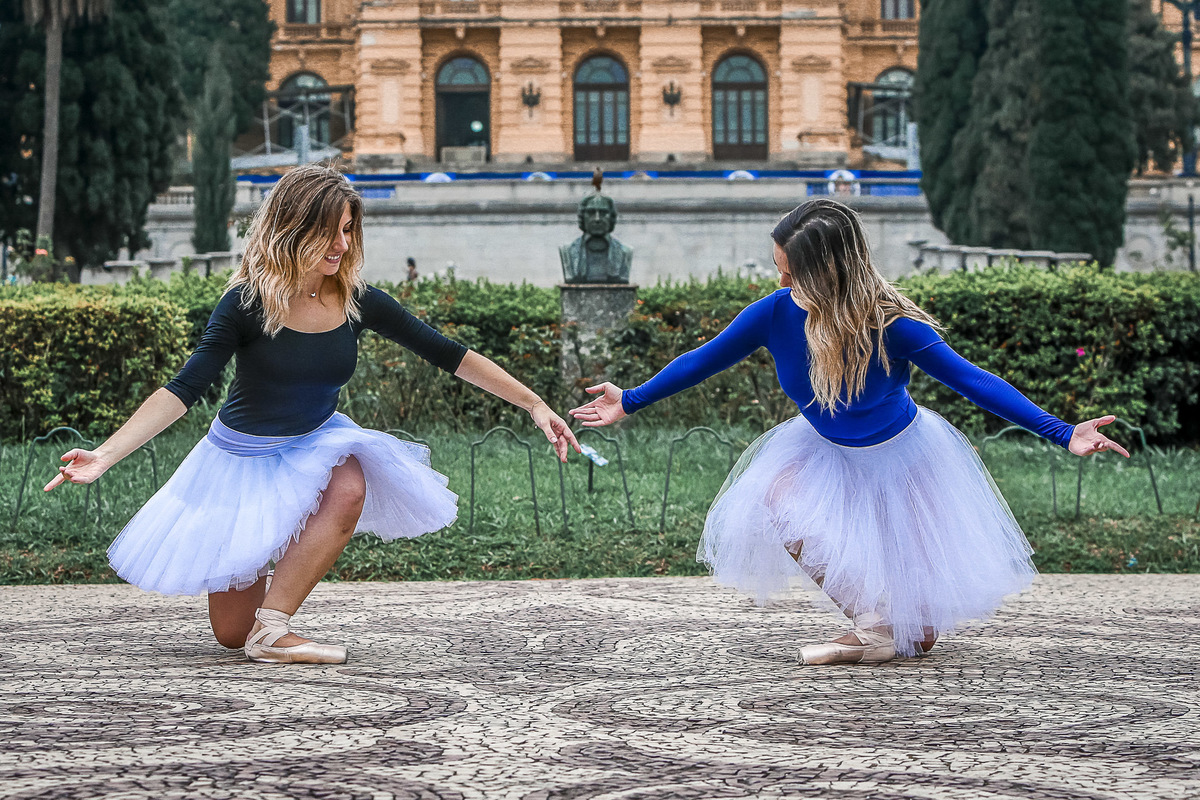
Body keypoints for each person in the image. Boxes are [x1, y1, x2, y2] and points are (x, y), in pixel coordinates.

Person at [45, 165, 580, 665]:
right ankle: (264, 583)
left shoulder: (356, 300)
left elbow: (449, 354)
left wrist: (534, 404)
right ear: (291, 228)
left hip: (315, 441)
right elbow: (185, 388)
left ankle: (273, 629)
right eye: (330, 232)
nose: (343, 245)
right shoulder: (245, 304)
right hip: (242, 460)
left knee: (349, 481)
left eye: (349, 231)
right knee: (228, 634)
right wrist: (105, 454)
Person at [570, 198, 1127, 665]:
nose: (782, 280)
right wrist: (632, 400)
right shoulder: (773, 313)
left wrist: (1062, 432)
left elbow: (972, 380)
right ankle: (875, 627)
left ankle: (899, 628)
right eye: (778, 267)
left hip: (902, 455)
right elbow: (704, 359)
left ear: (831, 271)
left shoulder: (894, 327)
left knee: (921, 621)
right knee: (775, 501)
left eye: (793, 271)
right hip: (823, 450)